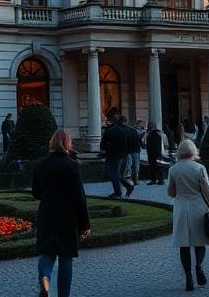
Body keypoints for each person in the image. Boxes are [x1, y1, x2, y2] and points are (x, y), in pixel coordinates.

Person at [32, 129, 91, 297]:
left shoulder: (39, 164)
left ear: (51, 143)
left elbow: (36, 193)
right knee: (66, 256)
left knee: (47, 252)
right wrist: (85, 224)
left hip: (47, 214)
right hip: (67, 216)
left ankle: (45, 278)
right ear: (68, 143)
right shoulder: (72, 165)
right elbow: (79, 198)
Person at [167, 139, 209, 291]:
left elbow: (171, 192)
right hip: (198, 207)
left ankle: (188, 278)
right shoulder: (199, 168)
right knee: (200, 241)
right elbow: (207, 191)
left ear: (180, 152)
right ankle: (199, 266)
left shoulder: (173, 169)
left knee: (184, 245)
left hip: (181, 208)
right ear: (194, 151)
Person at [100, 114, 133, 198]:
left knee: (113, 174)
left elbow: (104, 142)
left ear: (112, 121)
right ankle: (126, 187)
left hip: (114, 155)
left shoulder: (111, 129)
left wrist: (104, 150)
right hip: (124, 155)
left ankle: (118, 192)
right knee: (117, 174)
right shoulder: (125, 129)